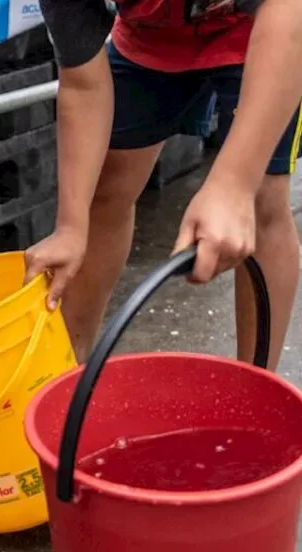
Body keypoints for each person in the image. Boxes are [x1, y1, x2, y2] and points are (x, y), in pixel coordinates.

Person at [24, 0, 302, 369]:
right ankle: (68, 375)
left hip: (261, 27)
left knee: (260, 200)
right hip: (151, 38)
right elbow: (84, 84)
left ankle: (255, 390)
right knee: (107, 186)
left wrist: (234, 182)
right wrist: (71, 227)